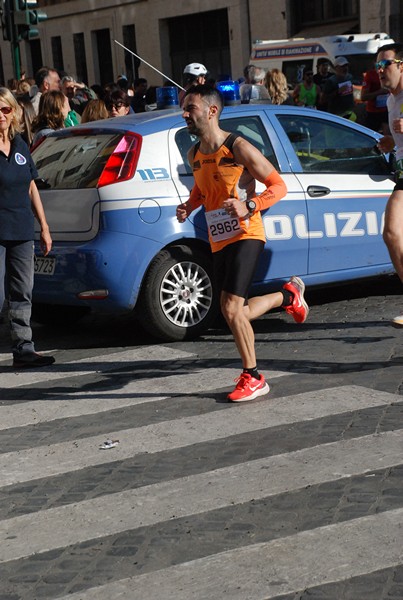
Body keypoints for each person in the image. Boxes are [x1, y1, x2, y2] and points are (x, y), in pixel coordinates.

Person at [177, 85, 309, 402]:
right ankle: (287, 296)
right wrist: (189, 205)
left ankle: (254, 376)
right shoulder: (194, 154)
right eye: (184, 108)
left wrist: (250, 205)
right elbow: (203, 190)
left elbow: (278, 186)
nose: (185, 114)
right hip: (220, 238)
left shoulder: (237, 147)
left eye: (190, 107)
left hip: (248, 233)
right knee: (236, 312)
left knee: (231, 307)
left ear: (211, 111)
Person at [0, 87, 55, 368]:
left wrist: (44, 227)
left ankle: (24, 349)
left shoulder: (20, 145)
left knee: (23, 292)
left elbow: (32, 187)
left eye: (5, 109)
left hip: (21, 230)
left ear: (13, 112)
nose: (0, 116)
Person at [376, 43, 403, 326]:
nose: (381, 71)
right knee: (392, 234)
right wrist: (391, 142)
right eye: (378, 67)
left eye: (386, 64)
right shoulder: (390, 101)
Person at [361, 63, 390, 134]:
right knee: (370, 137)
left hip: (387, 110)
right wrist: (379, 92)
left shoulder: (390, 73)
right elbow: (363, 97)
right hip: (373, 112)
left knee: (387, 135)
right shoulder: (370, 75)